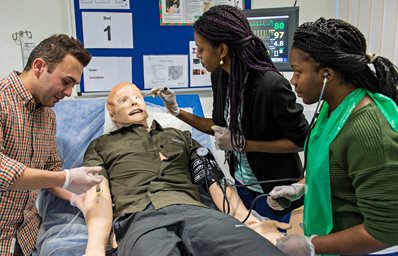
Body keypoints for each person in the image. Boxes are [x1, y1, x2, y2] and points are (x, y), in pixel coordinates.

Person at [82, 82, 290, 256]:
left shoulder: (180, 136)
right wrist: (96, 247)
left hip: (196, 212)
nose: (134, 101)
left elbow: (212, 177)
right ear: (111, 113)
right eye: (123, 100)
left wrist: (250, 221)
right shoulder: (101, 146)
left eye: (137, 97)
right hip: (140, 217)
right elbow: (98, 193)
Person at [154, 5, 309, 222]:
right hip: (241, 184)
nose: (197, 55)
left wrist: (242, 144)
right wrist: (176, 111)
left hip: (275, 190)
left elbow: (301, 141)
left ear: (222, 51)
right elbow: (218, 126)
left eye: (200, 49)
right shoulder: (220, 76)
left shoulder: (271, 85)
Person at [268, 18, 398, 256]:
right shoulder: (332, 110)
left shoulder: (369, 131)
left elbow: (386, 231)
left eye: (298, 72)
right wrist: (299, 188)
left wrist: (311, 245)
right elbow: (337, 170)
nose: (293, 81)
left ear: (327, 74)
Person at [0, 34, 103, 256]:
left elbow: (50, 171)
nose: (68, 93)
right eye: (66, 82)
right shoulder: (1, 101)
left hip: (25, 235)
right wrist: (67, 177)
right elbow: (2, 172)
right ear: (39, 66)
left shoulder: (48, 117)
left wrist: (76, 198)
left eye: (73, 85)